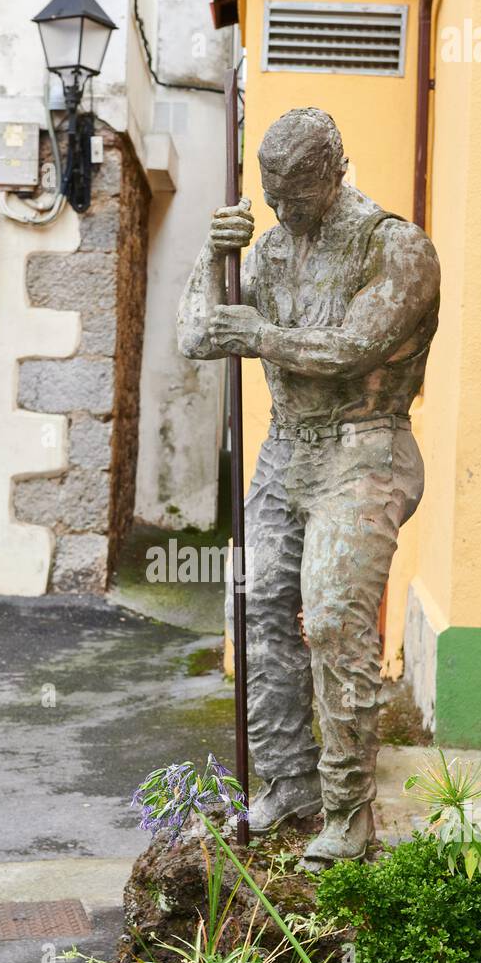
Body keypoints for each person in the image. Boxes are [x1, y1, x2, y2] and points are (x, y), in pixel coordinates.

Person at [177, 108, 440, 867]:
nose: (280, 207)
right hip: (284, 453)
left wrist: (257, 334)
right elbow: (199, 336)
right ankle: (287, 782)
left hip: (365, 453)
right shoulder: (266, 251)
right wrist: (209, 256)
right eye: (270, 192)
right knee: (258, 609)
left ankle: (348, 812)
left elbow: (354, 348)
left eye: (294, 192)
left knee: (329, 620)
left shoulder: (395, 247)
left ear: (334, 171)